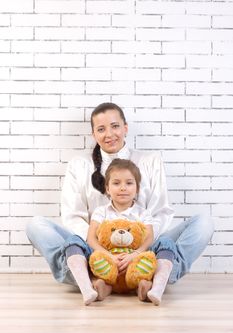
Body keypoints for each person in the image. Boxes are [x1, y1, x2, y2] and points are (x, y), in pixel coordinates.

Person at [26, 102, 214, 305]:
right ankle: (93, 278)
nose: (109, 134)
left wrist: (137, 251)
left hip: (144, 248)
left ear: (125, 127)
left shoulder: (150, 160)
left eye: (115, 126)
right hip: (97, 250)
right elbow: (73, 217)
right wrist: (102, 250)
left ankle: (150, 274)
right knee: (36, 225)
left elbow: (160, 212)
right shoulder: (79, 165)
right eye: (101, 129)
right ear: (93, 134)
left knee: (204, 223)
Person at [87, 158, 179, 305]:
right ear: (107, 188)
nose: (123, 188)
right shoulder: (101, 212)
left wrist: (135, 255)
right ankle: (103, 288)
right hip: (110, 263)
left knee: (151, 260)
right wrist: (109, 256)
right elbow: (91, 239)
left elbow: (149, 238)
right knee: (100, 272)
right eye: (116, 183)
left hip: (133, 263)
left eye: (129, 183)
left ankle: (144, 289)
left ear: (137, 189)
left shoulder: (143, 213)